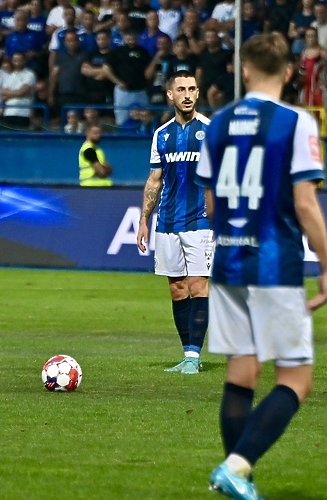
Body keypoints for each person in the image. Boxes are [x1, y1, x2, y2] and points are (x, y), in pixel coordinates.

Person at [195, 32, 327, 500]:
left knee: (241, 373)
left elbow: (210, 202)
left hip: (229, 262)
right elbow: (304, 201)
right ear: (289, 72)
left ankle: (239, 487)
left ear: (245, 70)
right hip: (274, 264)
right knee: (296, 377)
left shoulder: (216, 125)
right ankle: (237, 467)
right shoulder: (297, 123)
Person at [136, 70, 212, 375]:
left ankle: (194, 356)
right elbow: (155, 181)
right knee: (178, 289)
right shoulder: (161, 134)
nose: (188, 94)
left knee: (198, 286)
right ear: (171, 95)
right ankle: (187, 353)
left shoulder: (211, 130)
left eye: (192, 88)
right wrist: (144, 220)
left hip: (201, 222)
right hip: (166, 221)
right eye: (181, 89)